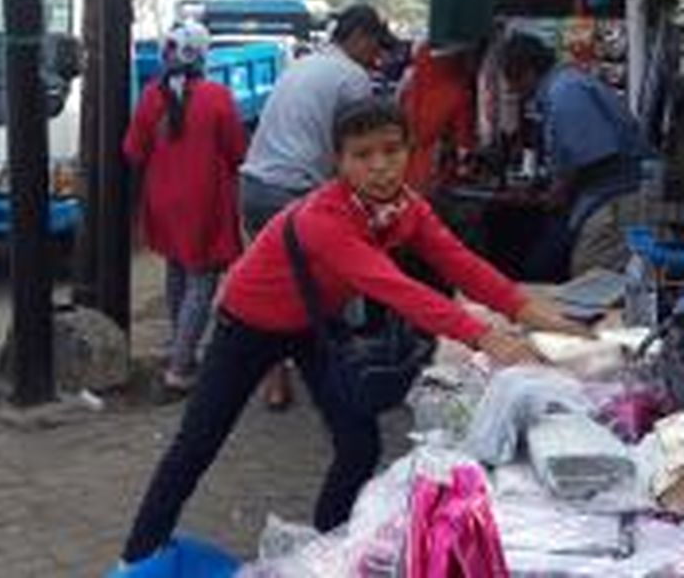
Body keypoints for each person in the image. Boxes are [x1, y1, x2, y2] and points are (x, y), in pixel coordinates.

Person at [117, 98, 592, 569]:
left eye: (391, 150)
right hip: (245, 326)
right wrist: (485, 337)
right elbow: (395, 288)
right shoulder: (323, 217)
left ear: (409, 150)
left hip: (310, 325)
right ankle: (137, 556)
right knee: (197, 445)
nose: (380, 166)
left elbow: (460, 263)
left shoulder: (406, 207)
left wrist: (529, 310)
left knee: (359, 442)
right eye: (362, 155)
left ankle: (330, 548)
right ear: (338, 162)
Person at [240, 4, 401, 408]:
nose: (377, 57)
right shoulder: (352, 78)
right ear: (359, 36)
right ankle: (338, 381)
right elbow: (354, 152)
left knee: (274, 290)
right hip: (292, 191)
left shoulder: (303, 64)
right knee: (327, 289)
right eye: (375, 46)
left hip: (253, 186)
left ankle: (276, 383)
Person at [124, 22, 246, 391]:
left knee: (177, 273)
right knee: (201, 282)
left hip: (162, 202)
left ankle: (180, 347)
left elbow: (132, 151)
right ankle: (179, 368)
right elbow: (237, 151)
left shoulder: (150, 96)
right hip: (204, 204)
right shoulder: (217, 97)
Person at [501, 32, 652, 280]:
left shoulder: (566, 92)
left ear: (527, 71)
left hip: (617, 200)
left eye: (512, 80)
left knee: (591, 279)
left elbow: (590, 154)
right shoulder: (564, 86)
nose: (510, 89)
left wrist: (556, 192)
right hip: (601, 198)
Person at [399, 40, 477, 193]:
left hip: (406, 167)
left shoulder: (410, 82)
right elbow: (463, 142)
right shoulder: (458, 91)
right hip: (436, 172)